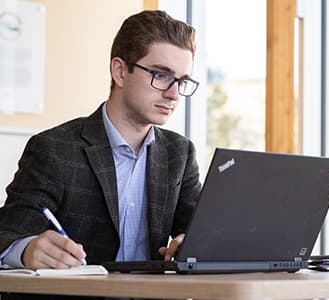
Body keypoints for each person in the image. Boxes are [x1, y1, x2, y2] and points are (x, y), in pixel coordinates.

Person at [0, 9, 201, 279]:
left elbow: (201, 231)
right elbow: (7, 233)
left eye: (182, 81)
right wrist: (25, 250)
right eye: (161, 75)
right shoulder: (54, 149)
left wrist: (190, 243)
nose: (174, 93)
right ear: (120, 71)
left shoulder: (179, 154)